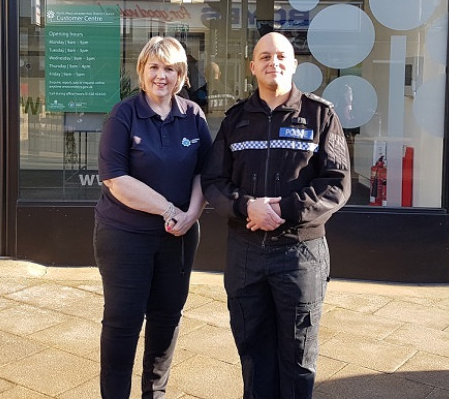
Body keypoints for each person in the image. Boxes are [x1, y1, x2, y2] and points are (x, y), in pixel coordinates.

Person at [201, 32, 351, 398]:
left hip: (301, 254)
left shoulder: (320, 116)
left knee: (298, 358)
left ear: (294, 64)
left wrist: (283, 209)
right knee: (253, 354)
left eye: (281, 55)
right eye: (265, 57)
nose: (274, 62)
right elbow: (213, 181)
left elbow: (337, 184)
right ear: (253, 67)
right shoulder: (236, 120)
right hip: (245, 252)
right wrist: (246, 206)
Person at [95, 36, 212, 398]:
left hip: (177, 239)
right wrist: (169, 210)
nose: (162, 76)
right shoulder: (124, 114)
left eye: (171, 69)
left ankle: (155, 394)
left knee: (166, 318)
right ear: (142, 71)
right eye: (155, 67)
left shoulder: (193, 116)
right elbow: (116, 180)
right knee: (123, 321)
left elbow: (205, 174)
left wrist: (192, 215)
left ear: (182, 76)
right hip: (124, 236)